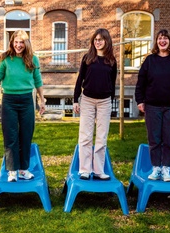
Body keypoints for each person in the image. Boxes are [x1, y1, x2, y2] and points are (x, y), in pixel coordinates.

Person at [135, 29, 170, 182]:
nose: (162, 41)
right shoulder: (150, 60)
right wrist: (140, 100)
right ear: (156, 42)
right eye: (160, 38)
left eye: (165, 38)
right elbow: (141, 82)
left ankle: (166, 169)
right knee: (154, 139)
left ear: (169, 41)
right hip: (152, 106)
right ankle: (156, 169)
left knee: (169, 139)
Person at [0, 30, 45, 182]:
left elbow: (38, 81)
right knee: (10, 135)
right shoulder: (6, 58)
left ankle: (23, 170)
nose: (18, 45)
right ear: (12, 42)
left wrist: (42, 100)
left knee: (26, 135)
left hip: (27, 100)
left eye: (22, 42)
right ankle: (12, 171)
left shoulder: (33, 59)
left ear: (26, 43)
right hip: (9, 101)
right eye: (16, 42)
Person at [73, 28, 118, 180]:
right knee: (85, 136)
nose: (98, 42)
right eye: (95, 39)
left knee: (101, 136)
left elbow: (112, 83)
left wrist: (111, 102)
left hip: (105, 101)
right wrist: (75, 100)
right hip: (87, 100)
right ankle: (84, 169)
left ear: (107, 41)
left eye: (101, 39)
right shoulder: (87, 58)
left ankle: (99, 170)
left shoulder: (111, 61)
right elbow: (80, 80)